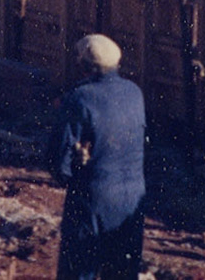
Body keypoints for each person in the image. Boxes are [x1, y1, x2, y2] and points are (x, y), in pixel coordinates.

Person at [50, 33, 147, 280]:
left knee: (79, 270)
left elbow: (58, 163)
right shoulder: (135, 92)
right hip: (133, 199)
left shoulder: (80, 98)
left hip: (93, 198)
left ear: (83, 65)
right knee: (122, 273)